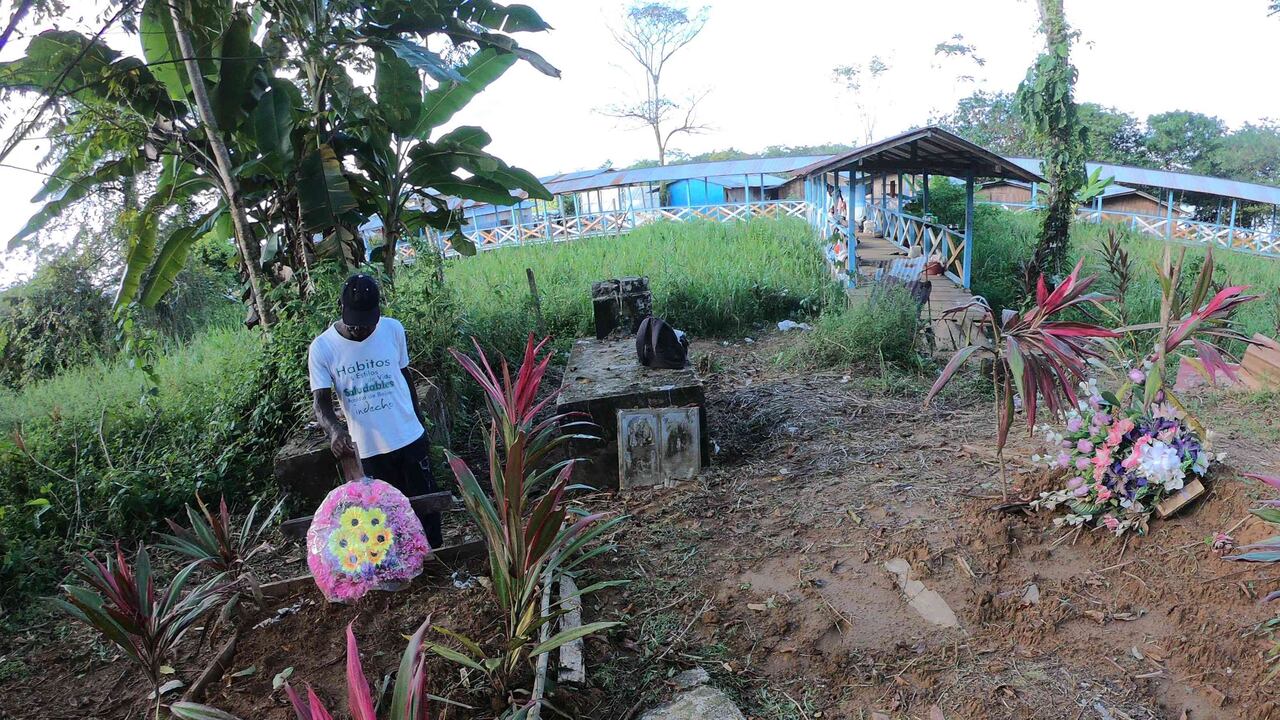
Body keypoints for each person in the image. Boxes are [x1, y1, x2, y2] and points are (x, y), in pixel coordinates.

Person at [307, 274, 443, 548]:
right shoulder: (322, 348)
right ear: (341, 308)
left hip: (409, 438)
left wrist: (419, 424)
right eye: (356, 324)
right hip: (368, 450)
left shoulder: (393, 329)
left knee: (425, 507)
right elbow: (320, 402)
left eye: (369, 323)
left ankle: (436, 559)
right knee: (383, 518)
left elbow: (405, 378)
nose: (363, 330)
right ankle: (400, 570)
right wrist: (335, 430)